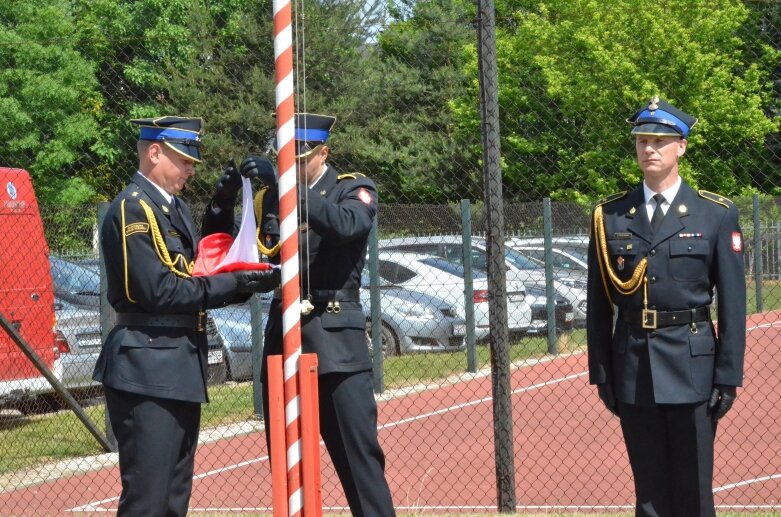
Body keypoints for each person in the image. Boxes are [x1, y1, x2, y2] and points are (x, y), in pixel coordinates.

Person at [205, 113, 396, 516]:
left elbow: (345, 226)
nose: (288, 165)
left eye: (299, 158)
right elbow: (242, 256)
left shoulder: (352, 189)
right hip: (283, 340)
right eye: (284, 159)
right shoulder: (267, 199)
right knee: (290, 473)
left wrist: (286, 188)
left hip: (336, 347)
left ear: (323, 152)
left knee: (360, 466)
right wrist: (220, 207)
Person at [93, 115, 280, 517]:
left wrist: (222, 208)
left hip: (176, 363)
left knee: (174, 498)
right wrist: (235, 284)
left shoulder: (172, 209)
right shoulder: (133, 210)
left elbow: (201, 270)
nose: (191, 169)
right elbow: (160, 290)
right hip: (146, 364)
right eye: (183, 159)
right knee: (148, 499)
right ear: (155, 153)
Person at [586, 96, 746, 516]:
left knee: (694, 490)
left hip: (693, 366)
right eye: (642, 141)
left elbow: (732, 303)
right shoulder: (612, 215)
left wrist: (728, 376)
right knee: (649, 493)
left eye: (660, 140)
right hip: (634, 366)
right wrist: (601, 371)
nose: (649, 149)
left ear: (682, 147)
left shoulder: (714, 214)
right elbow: (599, 302)